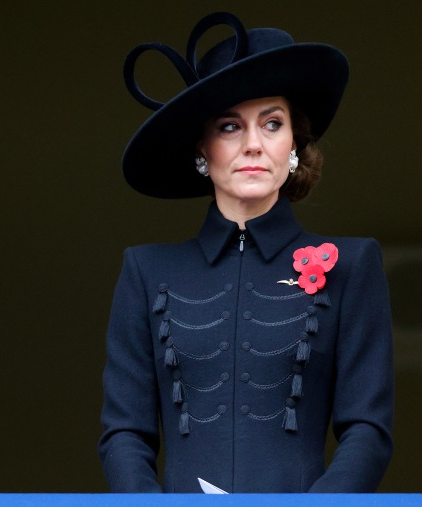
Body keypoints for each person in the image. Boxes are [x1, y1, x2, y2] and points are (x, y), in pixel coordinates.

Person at [99, 12, 393, 493]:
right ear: (203, 148)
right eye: (230, 126)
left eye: (272, 124)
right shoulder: (145, 270)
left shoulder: (353, 264)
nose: (254, 144)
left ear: (294, 143)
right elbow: (124, 433)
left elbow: (368, 430)